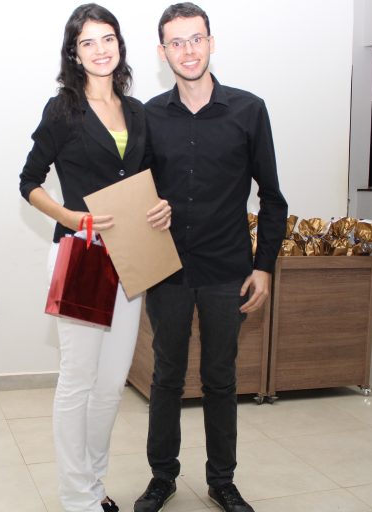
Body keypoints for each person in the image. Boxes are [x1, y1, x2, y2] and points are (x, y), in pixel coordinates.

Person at [133, 4, 287, 512]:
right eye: (176, 43)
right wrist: (149, 208)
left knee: (221, 379)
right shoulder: (149, 116)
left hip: (228, 270)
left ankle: (222, 481)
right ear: (163, 53)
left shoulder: (249, 110)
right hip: (168, 270)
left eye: (196, 39)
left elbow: (273, 197)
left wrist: (264, 267)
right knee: (166, 377)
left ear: (211, 43)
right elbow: (136, 192)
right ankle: (162, 477)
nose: (188, 51)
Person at [19, 4, 171, 512]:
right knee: (78, 382)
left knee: (110, 385)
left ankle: (94, 485)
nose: (100, 50)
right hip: (82, 255)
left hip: (131, 255)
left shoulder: (138, 112)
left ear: (120, 46)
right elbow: (29, 182)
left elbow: (149, 179)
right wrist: (72, 217)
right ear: (75, 53)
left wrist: (163, 206)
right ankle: (75, 498)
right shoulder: (62, 110)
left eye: (108, 39)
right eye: (88, 42)